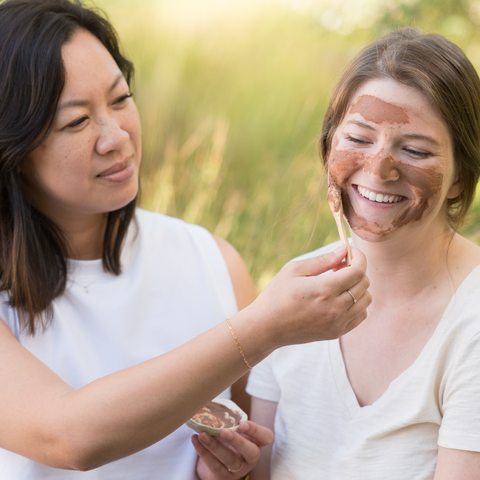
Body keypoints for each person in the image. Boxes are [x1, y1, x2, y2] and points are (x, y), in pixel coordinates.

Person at [0, 1, 372, 479]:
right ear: (15, 149)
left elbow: (262, 455)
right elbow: (69, 437)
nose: (116, 136)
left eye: (120, 99)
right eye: (77, 121)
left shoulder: (209, 259)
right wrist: (263, 328)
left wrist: (227, 471)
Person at [240, 27, 480, 480]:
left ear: (461, 179)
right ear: (329, 143)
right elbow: (264, 470)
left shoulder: (473, 322)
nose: (377, 169)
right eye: (358, 138)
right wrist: (232, 471)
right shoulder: (294, 293)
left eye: (414, 150)